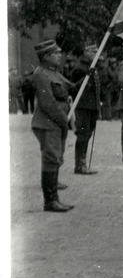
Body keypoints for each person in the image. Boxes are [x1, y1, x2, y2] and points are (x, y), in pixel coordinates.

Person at [30, 39, 74, 212]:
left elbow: (71, 88)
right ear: (46, 56)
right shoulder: (41, 75)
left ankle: (53, 198)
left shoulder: (54, 73)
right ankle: (50, 201)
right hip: (48, 122)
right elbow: (48, 103)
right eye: (56, 53)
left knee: (55, 158)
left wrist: (88, 75)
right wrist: (64, 120)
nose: (59, 56)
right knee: (51, 159)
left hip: (56, 122)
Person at [68, 44, 101, 174]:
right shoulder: (79, 69)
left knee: (87, 135)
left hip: (92, 107)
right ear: (86, 53)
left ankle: (83, 163)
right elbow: (72, 88)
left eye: (96, 52)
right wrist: (85, 78)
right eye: (93, 52)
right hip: (82, 107)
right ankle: (79, 165)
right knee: (82, 135)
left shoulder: (92, 68)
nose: (95, 54)